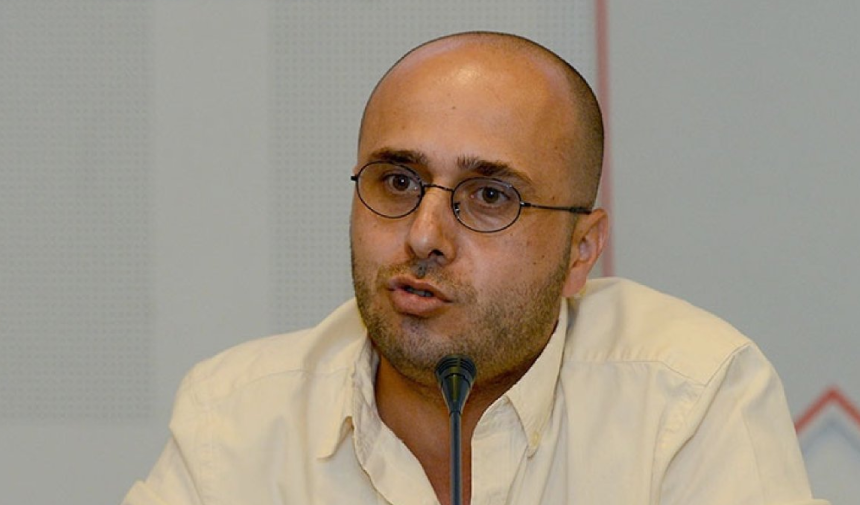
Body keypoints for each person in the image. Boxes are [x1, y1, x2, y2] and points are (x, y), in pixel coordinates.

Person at [123, 32, 827, 505]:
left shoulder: (687, 401)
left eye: (489, 197)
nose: (424, 236)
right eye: (398, 182)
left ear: (581, 251)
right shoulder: (236, 421)